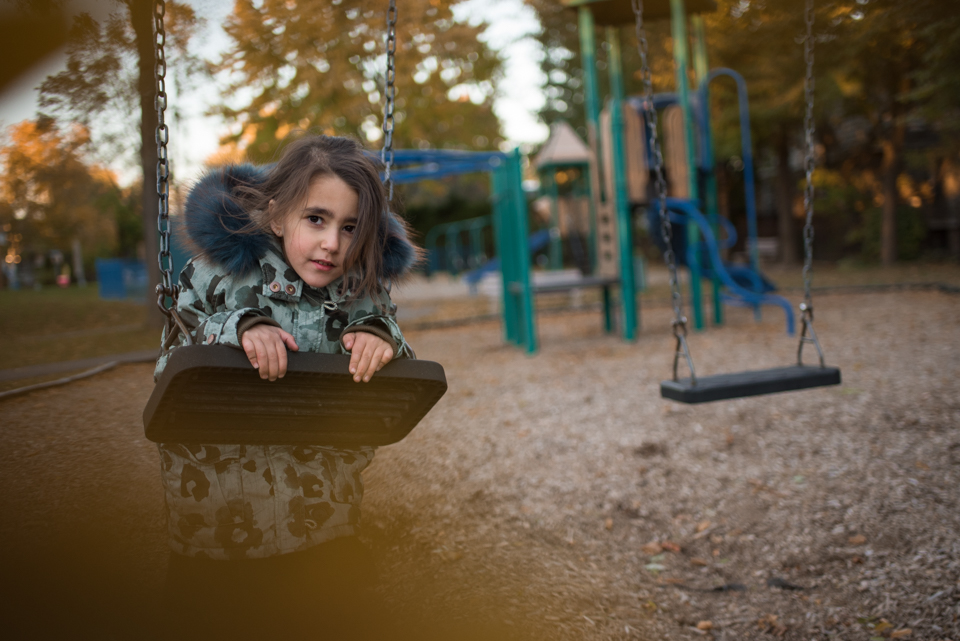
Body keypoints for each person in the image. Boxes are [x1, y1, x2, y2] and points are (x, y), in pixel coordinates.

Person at [153, 134, 419, 637]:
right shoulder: (216, 274)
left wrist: (381, 338)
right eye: (315, 219)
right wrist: (237, 329)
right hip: (218, 522)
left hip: (323, 517)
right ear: (276, 216)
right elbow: (170, 363)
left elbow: (396, 371)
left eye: (350, 227)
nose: (332, 244)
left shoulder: (362, 291)